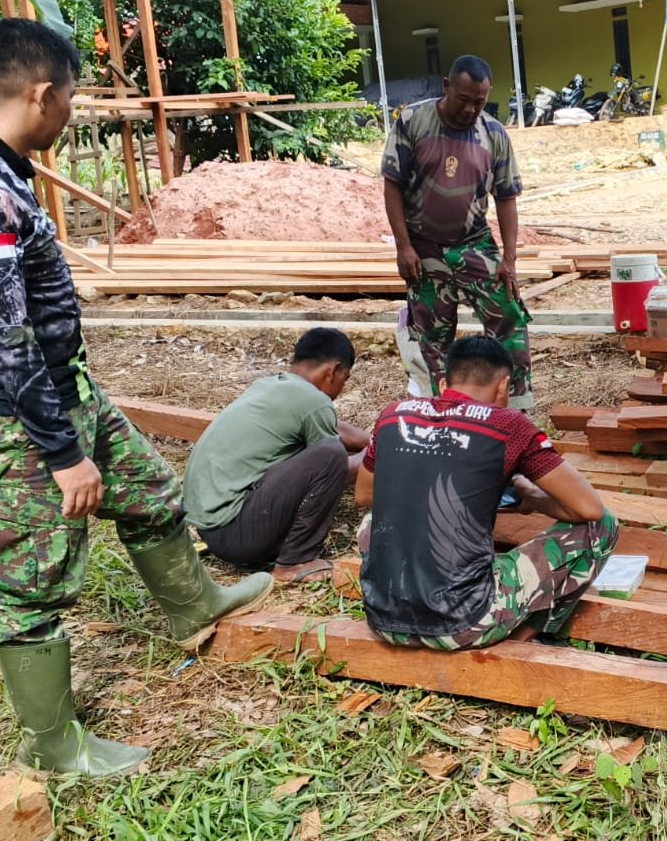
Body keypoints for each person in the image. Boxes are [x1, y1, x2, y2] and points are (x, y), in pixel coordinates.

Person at [0, 19, 273, 778]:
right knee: (32, 580)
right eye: (71, 100)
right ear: (42, 94)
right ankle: (52, 745)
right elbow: (5, 341)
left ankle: (193, 605)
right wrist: (63, 453)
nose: (70, 115)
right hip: (21, 417)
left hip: (65, 390)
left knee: (148, 491)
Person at [353, 336, 619, 649]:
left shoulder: (392, 415)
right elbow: (589, 509)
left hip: (383, 622)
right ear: (503, 386)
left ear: (443, 384)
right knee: (602, 525)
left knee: (373, 520)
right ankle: (528, 634)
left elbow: (364, 495)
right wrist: (531, 496)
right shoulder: (510, 426)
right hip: (464, 625)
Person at [383, 54, 534, 409]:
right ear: (447, 87)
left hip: (474, 243)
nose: (470, 109)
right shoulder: (413, 121)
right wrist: (404, 247)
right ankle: (444, 411)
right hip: (423, 247)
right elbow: (392, 186)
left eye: (478, 102)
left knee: (509, 313)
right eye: (463, 99)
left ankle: (514, 409)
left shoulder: (494, 134)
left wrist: (509, 260)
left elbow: (506, 198)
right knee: (431, 335)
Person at [184, 327, 370, 585]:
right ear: (333, 370)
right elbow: (335, 465)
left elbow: (336, 428)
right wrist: (378, 453)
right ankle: (295, 562)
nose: (342, 387)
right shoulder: (314, 401)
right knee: (331, 454)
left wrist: (375, 438)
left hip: (211, 532)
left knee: (328, 450)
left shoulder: (270, 387)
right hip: (237, 535)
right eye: (345, 379)